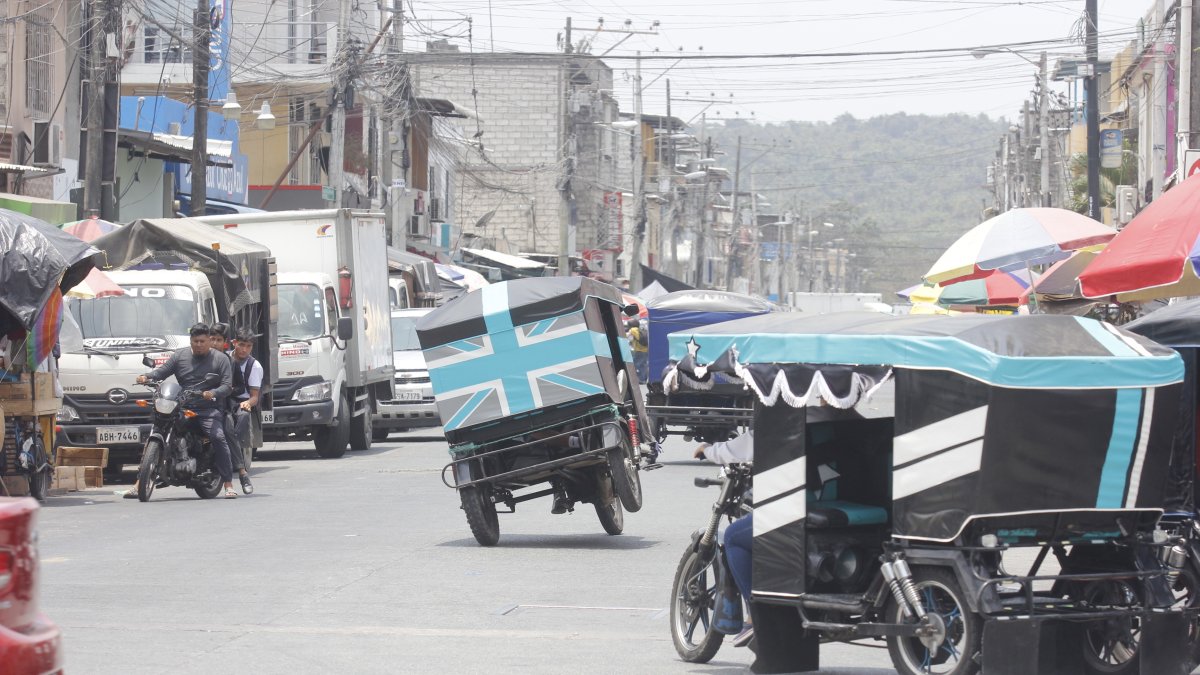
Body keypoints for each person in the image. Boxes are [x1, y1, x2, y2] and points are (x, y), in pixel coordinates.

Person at [135, 323, 239, 498]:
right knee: (158, 428)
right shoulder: (180, 356)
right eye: (195, 341)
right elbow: (162, 372)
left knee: (218, 437)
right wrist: (146, 377)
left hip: (208, 408)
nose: (199, 345)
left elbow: (227, 386)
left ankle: (228, 484)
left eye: (202, 341)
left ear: (209, 341)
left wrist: (213, 393)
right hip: (181, 405)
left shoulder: (221, 359)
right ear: (190, 341)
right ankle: (139, 482)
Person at [694, 431, 755, 647]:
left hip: (794, 513)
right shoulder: (845, 425)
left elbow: (736, 449)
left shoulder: (784, 423)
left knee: (733, 536)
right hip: (842, 513)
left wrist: (707, 450)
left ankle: (756, 614)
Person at [227, 328, 261, 494]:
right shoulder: (224, 358)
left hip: (241, 401)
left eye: (248, 346)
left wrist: (247, 403)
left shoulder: (254, 366)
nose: (244, 350)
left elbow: (255, 397)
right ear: (234, 343)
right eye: (241, 345)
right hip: (222, 399)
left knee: (242, 418)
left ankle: (237, 464)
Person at [627, 318, 649, 383]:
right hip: (646, 350)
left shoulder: (632, 330)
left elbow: (629, 338)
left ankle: (641, 379)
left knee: (637, 365)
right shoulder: (640, 329)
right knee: (643, 365)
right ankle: (644, 378)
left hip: (639, 350)